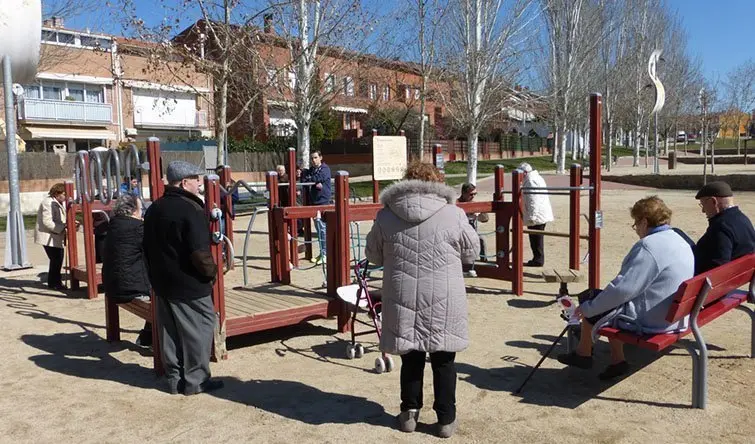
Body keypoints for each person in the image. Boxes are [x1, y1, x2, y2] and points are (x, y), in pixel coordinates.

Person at [365, 161, 479, 438]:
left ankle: (408, 413)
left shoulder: (386, 215)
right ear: (437, 182)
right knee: (443, 359)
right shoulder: (453, 214)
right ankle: (445, 419)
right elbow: (471, 252)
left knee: (411, 357)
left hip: (402, 291)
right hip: (444, 293)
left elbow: (373, 256)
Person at [557, 196, 694, 380]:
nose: (636, 229)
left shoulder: (649, 246)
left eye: (636, 223)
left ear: (645, 222)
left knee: (593, 298)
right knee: (605, 302)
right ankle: (615, 360)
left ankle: (584, 354)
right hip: (675, 314)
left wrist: (587, 308)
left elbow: (623, 289)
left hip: (653, 319)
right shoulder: (678, 238)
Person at [143, 160, 223, 396]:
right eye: (196, 179)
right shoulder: (191, 209)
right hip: (189, 283)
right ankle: (196, 380)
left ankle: (174, 378)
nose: (200, 183)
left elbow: (146, 246)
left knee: (170, 331)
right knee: (202, 326)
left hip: (162, 282)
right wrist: (211, 274)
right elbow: (199, 252)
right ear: (184, 181)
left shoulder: (155, 208)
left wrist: (154, 278)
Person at [102, 194, 152, 347]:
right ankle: (149, 338)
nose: (142, 212)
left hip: (111, 284)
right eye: (140, 209)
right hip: (132, 288)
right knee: (165, 292)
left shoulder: (113, 225)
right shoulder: (137, 228)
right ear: (132, 211)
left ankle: (147, 336)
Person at [693, 181, 755, 275]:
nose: (703, 210)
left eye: (703, 205)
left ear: (713, 202)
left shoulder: (721, 227)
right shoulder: (743, 219)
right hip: (735, 276)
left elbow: (718, 265)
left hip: (705, 282)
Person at [34, 183, 69, 291]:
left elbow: (59, 218)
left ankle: (54, 282)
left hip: (54, 236)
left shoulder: (56, 202)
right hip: (48, 236)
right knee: (56, 259)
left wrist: (67, 224)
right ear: (57, 193)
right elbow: (47, 222)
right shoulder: (48, 203)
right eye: (64, 194)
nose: (65, 196)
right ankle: (55, 283)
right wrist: (61, 228)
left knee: (57, 259)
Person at [519, 163, 553, 267]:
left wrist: (532, 217)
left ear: (524, 173)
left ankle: (538, 259)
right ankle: (537, 258)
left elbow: (534, 199)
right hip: (538, 213)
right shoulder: (534, 178)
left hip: (537, 215)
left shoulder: (531, 181)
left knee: (536, 238)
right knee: (535, 237)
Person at [301, 150, 332, 264]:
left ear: (320, 157)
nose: (313, 160)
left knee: (322, 228)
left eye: (315, 158)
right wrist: (310, 178)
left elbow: (316, 178)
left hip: (322, 202)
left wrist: (313, 180)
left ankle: (325, 254)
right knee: (319, 229)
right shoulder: (312, 170)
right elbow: (305, 179)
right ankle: (322, 252)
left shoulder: (325, 169)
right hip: (314, 202)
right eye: (312, 158)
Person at [458, 183, 489, 266]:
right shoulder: (457, 204)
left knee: (482, 239)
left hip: (473, 232)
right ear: (464, 193)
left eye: (475, 194)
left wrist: (480, 213)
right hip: (460, 232)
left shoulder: (474, 204)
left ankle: (484, 262)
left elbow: (485, 219)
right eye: (471, 194)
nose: (473, 196)